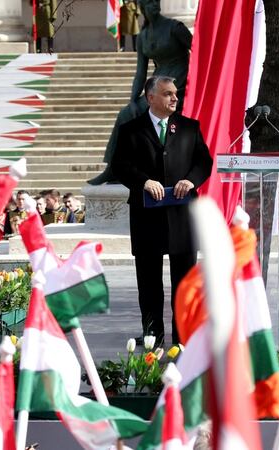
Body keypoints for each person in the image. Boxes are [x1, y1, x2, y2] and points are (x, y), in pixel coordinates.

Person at [112, 75, 213, 347]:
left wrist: (191, 179)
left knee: (184, 281)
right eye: (168, 94)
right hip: (147, 216)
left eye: (175, 94)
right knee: (149, 283)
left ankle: (183, 339)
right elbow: (120, 166)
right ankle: (152, 338)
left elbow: (204, 161)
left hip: (182, 216)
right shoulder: (130, 129)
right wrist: (144, 181)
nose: (174, 98)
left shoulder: (190, 128)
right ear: (151, 97)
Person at [88, 0, 192, 185]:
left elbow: (199, 52)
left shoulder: (175, 28)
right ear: (142, 7)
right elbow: (140, 73)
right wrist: (133, 101)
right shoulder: (143, 35)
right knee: (126, 114)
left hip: (181, 85)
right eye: (149, 3)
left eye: (156, 2)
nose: (155, 6)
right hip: (157, 86)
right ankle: (114, 168)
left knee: (149, 113)